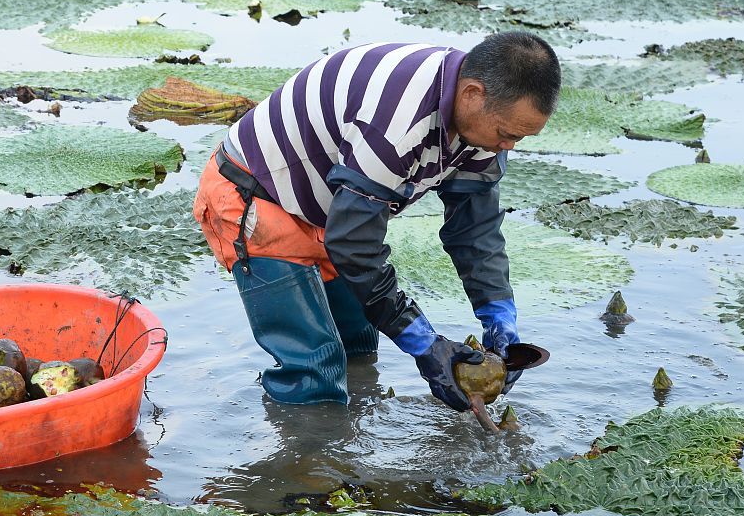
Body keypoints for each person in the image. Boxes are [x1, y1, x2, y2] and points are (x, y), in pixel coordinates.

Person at [192, 31, 560, 410]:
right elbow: (354, 245)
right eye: (506, 134)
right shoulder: (397, 121)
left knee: (359, 343)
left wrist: (498, 313)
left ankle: (351, 443)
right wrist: (424, 342)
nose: (509, 147)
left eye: (520, 138)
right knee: (313, 367)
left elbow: (475, 231)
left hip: (331, 210)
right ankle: (307, 461)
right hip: (256, 197)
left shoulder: (481, 130)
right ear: (472, 94)